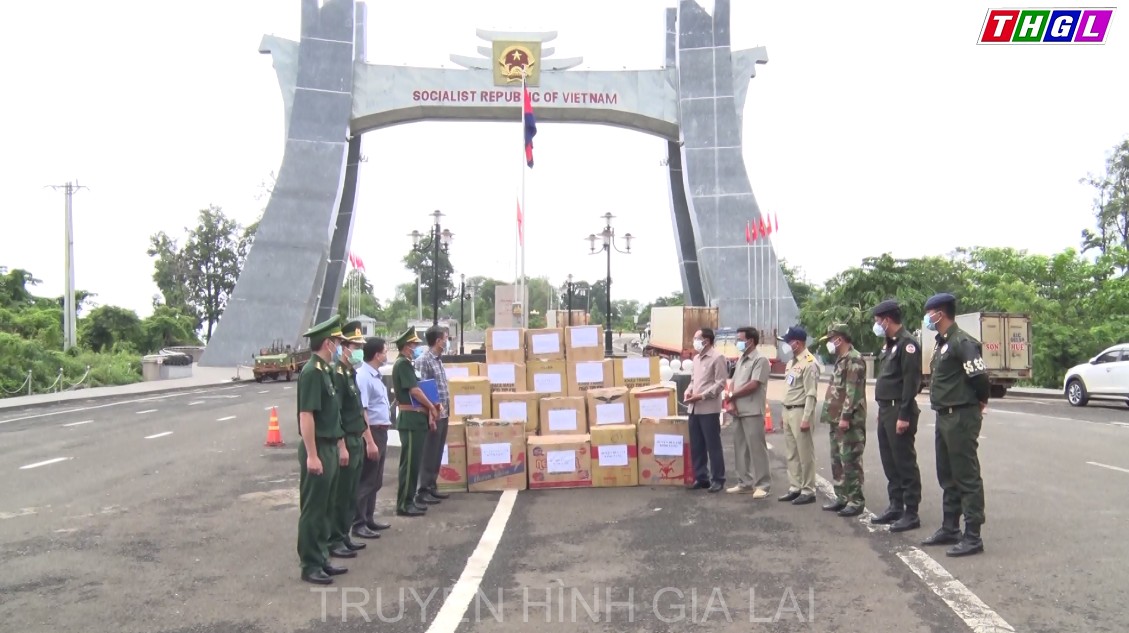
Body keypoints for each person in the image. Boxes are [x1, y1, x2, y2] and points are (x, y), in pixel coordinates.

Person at [920, 293, 990, 557]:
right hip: (944, 415)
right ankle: (950, 527)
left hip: (960, 415)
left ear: (940, 313)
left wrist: (981, 401)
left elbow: (980, 377)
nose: (927, 318)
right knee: (946, 473)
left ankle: (973, 535)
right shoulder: (942, 343)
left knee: (966, 475)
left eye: (929, 313)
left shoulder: (963, 342)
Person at [295, 315, 346, 585]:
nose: (339, 346)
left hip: (329, 445)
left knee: (327, 506)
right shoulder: (313, 372)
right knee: (314, 509)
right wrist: (312, 455)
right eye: (337, 342)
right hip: (318, 448)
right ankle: (310, 563)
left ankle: (322, 556)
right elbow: (307, 415)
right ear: (328, 343)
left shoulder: (325, 370)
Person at [326, 321, 380, 558]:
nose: (358, 349)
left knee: (349, 494)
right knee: (341, 495)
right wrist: (342, 444)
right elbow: (335, 413)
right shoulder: (337, 374)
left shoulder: (349, 373)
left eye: (359, 345)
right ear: (343, 346)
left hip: (356, 437)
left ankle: (344, 536)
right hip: (346, 438)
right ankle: (335, 539)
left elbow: (358, 409)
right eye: (354, 345)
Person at [870, 299, 924, 532]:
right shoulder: (889, 344)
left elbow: (911, 383)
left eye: (878, 321)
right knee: (889, 460)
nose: (877, 325)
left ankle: (911, 512)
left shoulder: (907, 344)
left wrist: (903, 415)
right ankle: (896, 505)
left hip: (899, 409)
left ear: (887, 320)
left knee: (904, 461)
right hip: (886, 409)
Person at [819, 323, 868, 517]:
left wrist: (845, 417)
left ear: (840, 338)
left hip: (849, 421)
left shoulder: (854, 359)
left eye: (832, 339)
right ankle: (841, 497)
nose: (830, 343)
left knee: (850, 461)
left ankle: (855, 500)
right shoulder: (841, 359)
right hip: (835, 418)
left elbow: (852, 392)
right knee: (837, 460)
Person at [391, 328, 438, 517]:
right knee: (409, 464)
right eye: (413, 345)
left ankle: (409, 500)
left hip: (417, 418)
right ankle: (404, 503)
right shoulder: (402, 364)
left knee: (415, 463)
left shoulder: (408, 364)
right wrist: (431, 406)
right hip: (410, 419)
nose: (416, 348)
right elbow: (414, 390)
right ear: (407, 346)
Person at [353, 336, 392, 539]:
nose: (386, 355)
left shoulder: (375, 375)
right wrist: (369, 441)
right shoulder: (363, 376)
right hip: (372, 432)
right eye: (385, 351)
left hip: (381, 431)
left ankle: (368, 518)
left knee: (375, 480)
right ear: (377, 355)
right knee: (367, 479)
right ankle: (358, 523)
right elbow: (363, 411)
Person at [727, 326, 771, 498]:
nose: (738, 343)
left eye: (740, 339)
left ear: (750, 341)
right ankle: (744, 482)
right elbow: (734, 381)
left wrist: (732, 395)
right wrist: (731, 399)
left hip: (752, 410)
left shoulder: (760, 360)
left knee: (757, 449)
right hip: (738, 410)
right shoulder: (741, 359)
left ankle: (763, 485)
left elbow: (754, 384)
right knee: (740, 448)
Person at [776, 326, 819, 506]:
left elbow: (811, 394)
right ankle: (795, 487)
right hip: (788, 411)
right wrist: (782, 412)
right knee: (792, 453)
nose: (786, 345)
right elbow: (789, 389)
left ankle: (808, 490)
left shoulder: (809, 363)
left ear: (798, 343)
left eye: (788, 341)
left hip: (801, 411)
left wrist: (806, 418)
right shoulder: (791, 363)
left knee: (805, 454)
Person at [683, 327, 729, 493]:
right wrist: (689, 390)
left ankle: (718, 479)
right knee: (697, 445)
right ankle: (701, 477)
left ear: (706, 340)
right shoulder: (696, 359)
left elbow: (720, 383)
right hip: (693, 408)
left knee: (713, 445)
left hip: (708, 408)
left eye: (696, 338)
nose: (694, 342)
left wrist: (701, 396)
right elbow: (693, 380)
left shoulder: (718, 358)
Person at [414, 325, 451, 507]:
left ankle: (432, 485)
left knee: (437, 452)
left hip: (443, 413)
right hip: (432, 414)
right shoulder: (424, 360)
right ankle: (423, 490)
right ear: (438, 341)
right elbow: (421, 388)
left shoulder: (438, 360)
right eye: (445, 337)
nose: (447, 340)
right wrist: (430, 411)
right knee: (428, 452)